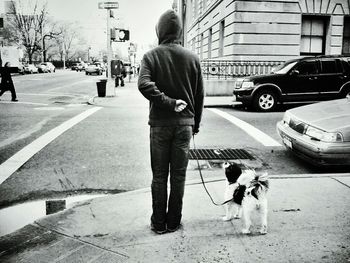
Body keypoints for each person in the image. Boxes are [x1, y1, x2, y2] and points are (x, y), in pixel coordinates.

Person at [138, 9, 204, 234]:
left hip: (159, 125)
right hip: (184, 125)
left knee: (159, 176)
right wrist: (194, 124)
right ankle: (174, 222)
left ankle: (158, 223)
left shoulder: (151, 56)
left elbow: (144, 84)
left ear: (160, 30)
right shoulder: (193, 58)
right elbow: (199, 96)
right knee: (178, 176)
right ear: (178, 31)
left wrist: (167, 102)